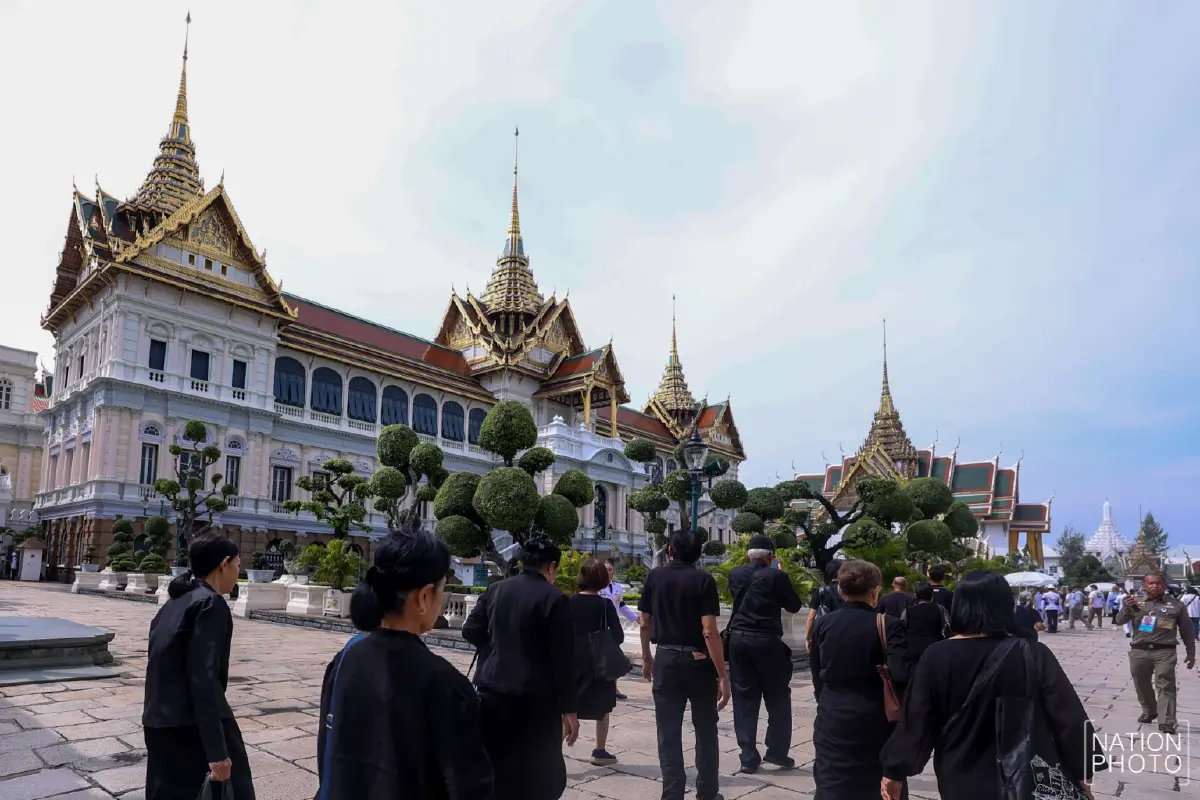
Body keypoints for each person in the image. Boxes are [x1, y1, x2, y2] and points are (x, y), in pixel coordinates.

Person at [880, 571, 1104, 800]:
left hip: (961, 774)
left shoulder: (937, 655)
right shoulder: (1033, 653)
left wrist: (895, 770)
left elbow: (917, 719)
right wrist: (1083, 772)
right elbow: (1069, 718)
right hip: (1027, 776)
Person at [315, 530, 493, 799]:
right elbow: (468, 787)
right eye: (442, 588)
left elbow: (328, 753)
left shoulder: (347, 658)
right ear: (423, 597)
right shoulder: (444, 684)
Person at [462, 537, 578, 800]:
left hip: (493, 692)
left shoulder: (496, 589)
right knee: (539, 771)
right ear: (550, 567)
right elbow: (564, 658)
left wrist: (496, 647)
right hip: (535, 700)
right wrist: (570, 710)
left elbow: (470, 629)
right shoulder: (555, 598)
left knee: (497, 764)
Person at [142, 534, 254, 800]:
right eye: (238, 565)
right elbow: (203, 679)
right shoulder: (210, 604)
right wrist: (217, 751)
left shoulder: (173, 603)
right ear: (223, 564)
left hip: (159, 724)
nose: (239, 572)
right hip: (191, 727)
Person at [638, 528, 729, 800]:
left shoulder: (655, 576)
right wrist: (722, 674)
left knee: (668, 730)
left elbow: (644, 622)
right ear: (700, 554)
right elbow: (710, 630)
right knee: (705, 728)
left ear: (670, 552)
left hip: (666, 657)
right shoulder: (704, 580)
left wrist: (646, 657)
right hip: (697, 661)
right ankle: (707, 792)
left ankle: (672, 793)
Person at [808, 560, 908, 800]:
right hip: (876, 719)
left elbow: (816, 674)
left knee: (832, 784)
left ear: (841, 591)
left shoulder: (823, 623)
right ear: (875, 591)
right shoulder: (889, 625)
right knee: (879, 787)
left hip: (832, 716)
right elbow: (902, 676)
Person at [725, 534, 803, 774]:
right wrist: (778, 573)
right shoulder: (776, 575)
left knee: (744, 698)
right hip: (766, 641)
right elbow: (794, 606)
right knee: (778, 696)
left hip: (738, 640)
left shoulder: (735, 574)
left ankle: (748, 756)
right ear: (770, 556)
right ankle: (777, 751)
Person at [1114, 571, 1196, 734]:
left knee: (1165, 683)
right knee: (1141, 684)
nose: (1154, 585)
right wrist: (1125, 607)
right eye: (1150, 583)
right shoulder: (1134, 602)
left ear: (1164, 586)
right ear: (1144, 586)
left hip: (1164, 651)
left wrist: (1191, 653)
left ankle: (1167, 720)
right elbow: (1119, 621)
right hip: (1139, 651)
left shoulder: (1176, 605)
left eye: (1157, 583)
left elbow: (1187, 630)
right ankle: (1149, 710)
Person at [571, 557, 625, 767]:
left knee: (569, 706)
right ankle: (599, 750)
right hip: (599, 663)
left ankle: (556, 751)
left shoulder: (568, 601)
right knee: (602, 708)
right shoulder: (604, 605)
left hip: (573, 660)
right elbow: (619, 637)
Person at [599, 560, 638, 701]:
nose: (609, 572)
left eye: (610, 569)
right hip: (601, 628)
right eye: (606, 569)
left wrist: (636, 619)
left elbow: (622, 606)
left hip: (613, 628)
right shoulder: (597, 587)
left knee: (614, 659)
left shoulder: (617, 587)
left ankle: (614, 688)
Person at [900, 582, 949, 667]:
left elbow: (901, 627)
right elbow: (948, 627)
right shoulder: (940, 609)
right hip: (934, 650)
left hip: (912, 650)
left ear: (916, 595)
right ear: (932, 595)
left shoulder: (908, 611)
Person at [804, 561, 843, 651]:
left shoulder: (821, 591)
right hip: (845, 630)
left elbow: (811, 617)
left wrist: (808, 637)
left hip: (826, 632)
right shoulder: (849, 590)